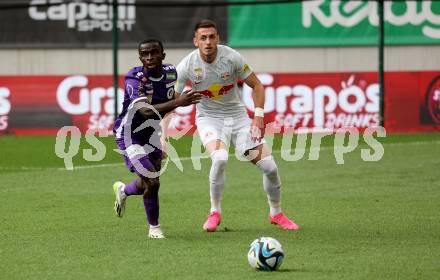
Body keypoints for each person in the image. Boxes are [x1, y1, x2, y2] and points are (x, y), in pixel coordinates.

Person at [175, 19, 300, 232]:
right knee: (220, 158)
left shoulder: (231, 57)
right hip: (209, 119)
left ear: (218, 38)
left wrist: (258, 116)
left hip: (238, 118)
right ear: (196, 41)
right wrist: (162, 125)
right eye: (203, 38)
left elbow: (257, 85)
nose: (208, 42)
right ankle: (215, 212)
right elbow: (175, 99)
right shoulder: (186, 65)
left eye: (212, 36)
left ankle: (276, 213)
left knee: (270, 167)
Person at [112, 39, 201, 238]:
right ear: (140, 57)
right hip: (129, 134)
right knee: (152, 181)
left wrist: (163, 134)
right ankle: (154, 228)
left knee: (149, 181)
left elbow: (169, 103)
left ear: (163, 55)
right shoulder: (135, 78)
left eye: (154, 53)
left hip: (152, 133)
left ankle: (124, 191)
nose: (150, 57)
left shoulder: (170, 73)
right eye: (145, 54)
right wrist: (179, 101)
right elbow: (144, 110)